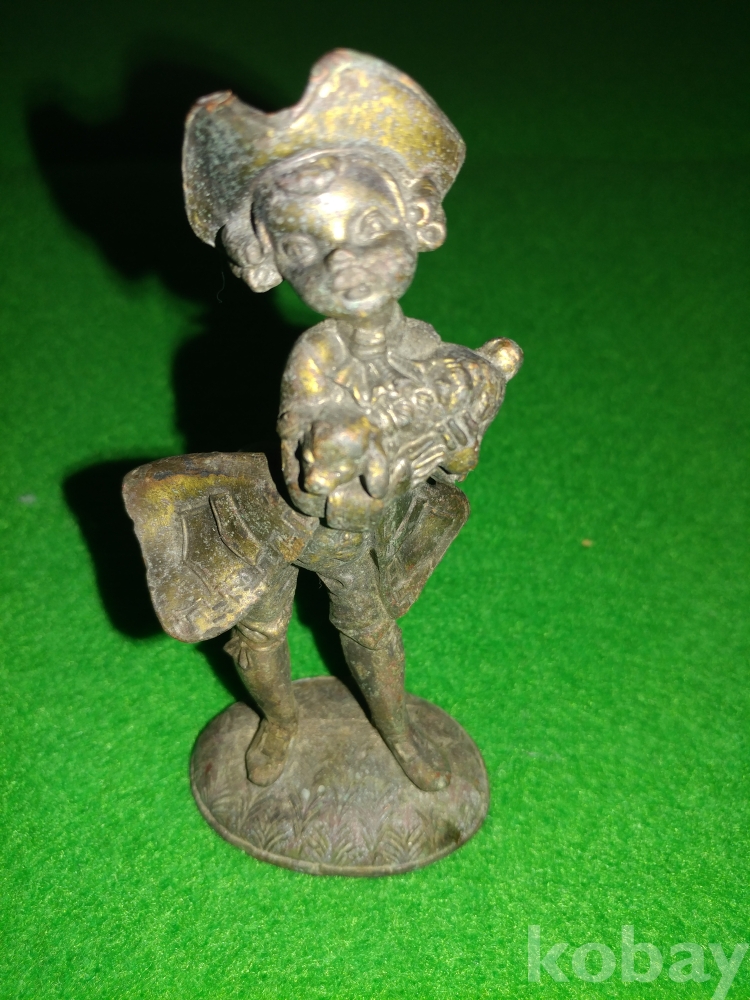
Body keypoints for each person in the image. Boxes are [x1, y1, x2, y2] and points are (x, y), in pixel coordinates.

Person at [179, 50, 523, 791]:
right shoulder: (314, 359)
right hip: (272, 524)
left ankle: (399, 735)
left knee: (370, 633)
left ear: (418, 219)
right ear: (268, 260)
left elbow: (455, 463)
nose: (344, 263)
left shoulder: (427, 348)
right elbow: (314, 492)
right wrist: (368, 457)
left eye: (368, 225)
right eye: (306, 244)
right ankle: (278, 720)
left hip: (349, 541)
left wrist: (455, 433)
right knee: (260, 632)